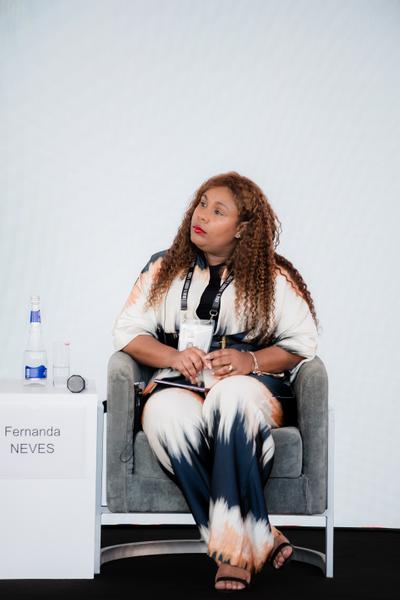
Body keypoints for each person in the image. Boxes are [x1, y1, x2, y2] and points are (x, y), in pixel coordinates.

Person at [112, 171, 319, 592]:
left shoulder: (273, 276)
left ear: (242, 228)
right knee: (165, 414)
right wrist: (172, 356)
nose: (201, 215)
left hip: (250, 384)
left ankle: (229, 555)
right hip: (181, 382)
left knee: (230, 397)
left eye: (218, 211)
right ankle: (257, 533)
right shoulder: (163, 267)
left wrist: (250, 359)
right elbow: (128, 333)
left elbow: (302, 344)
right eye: (202, 204)